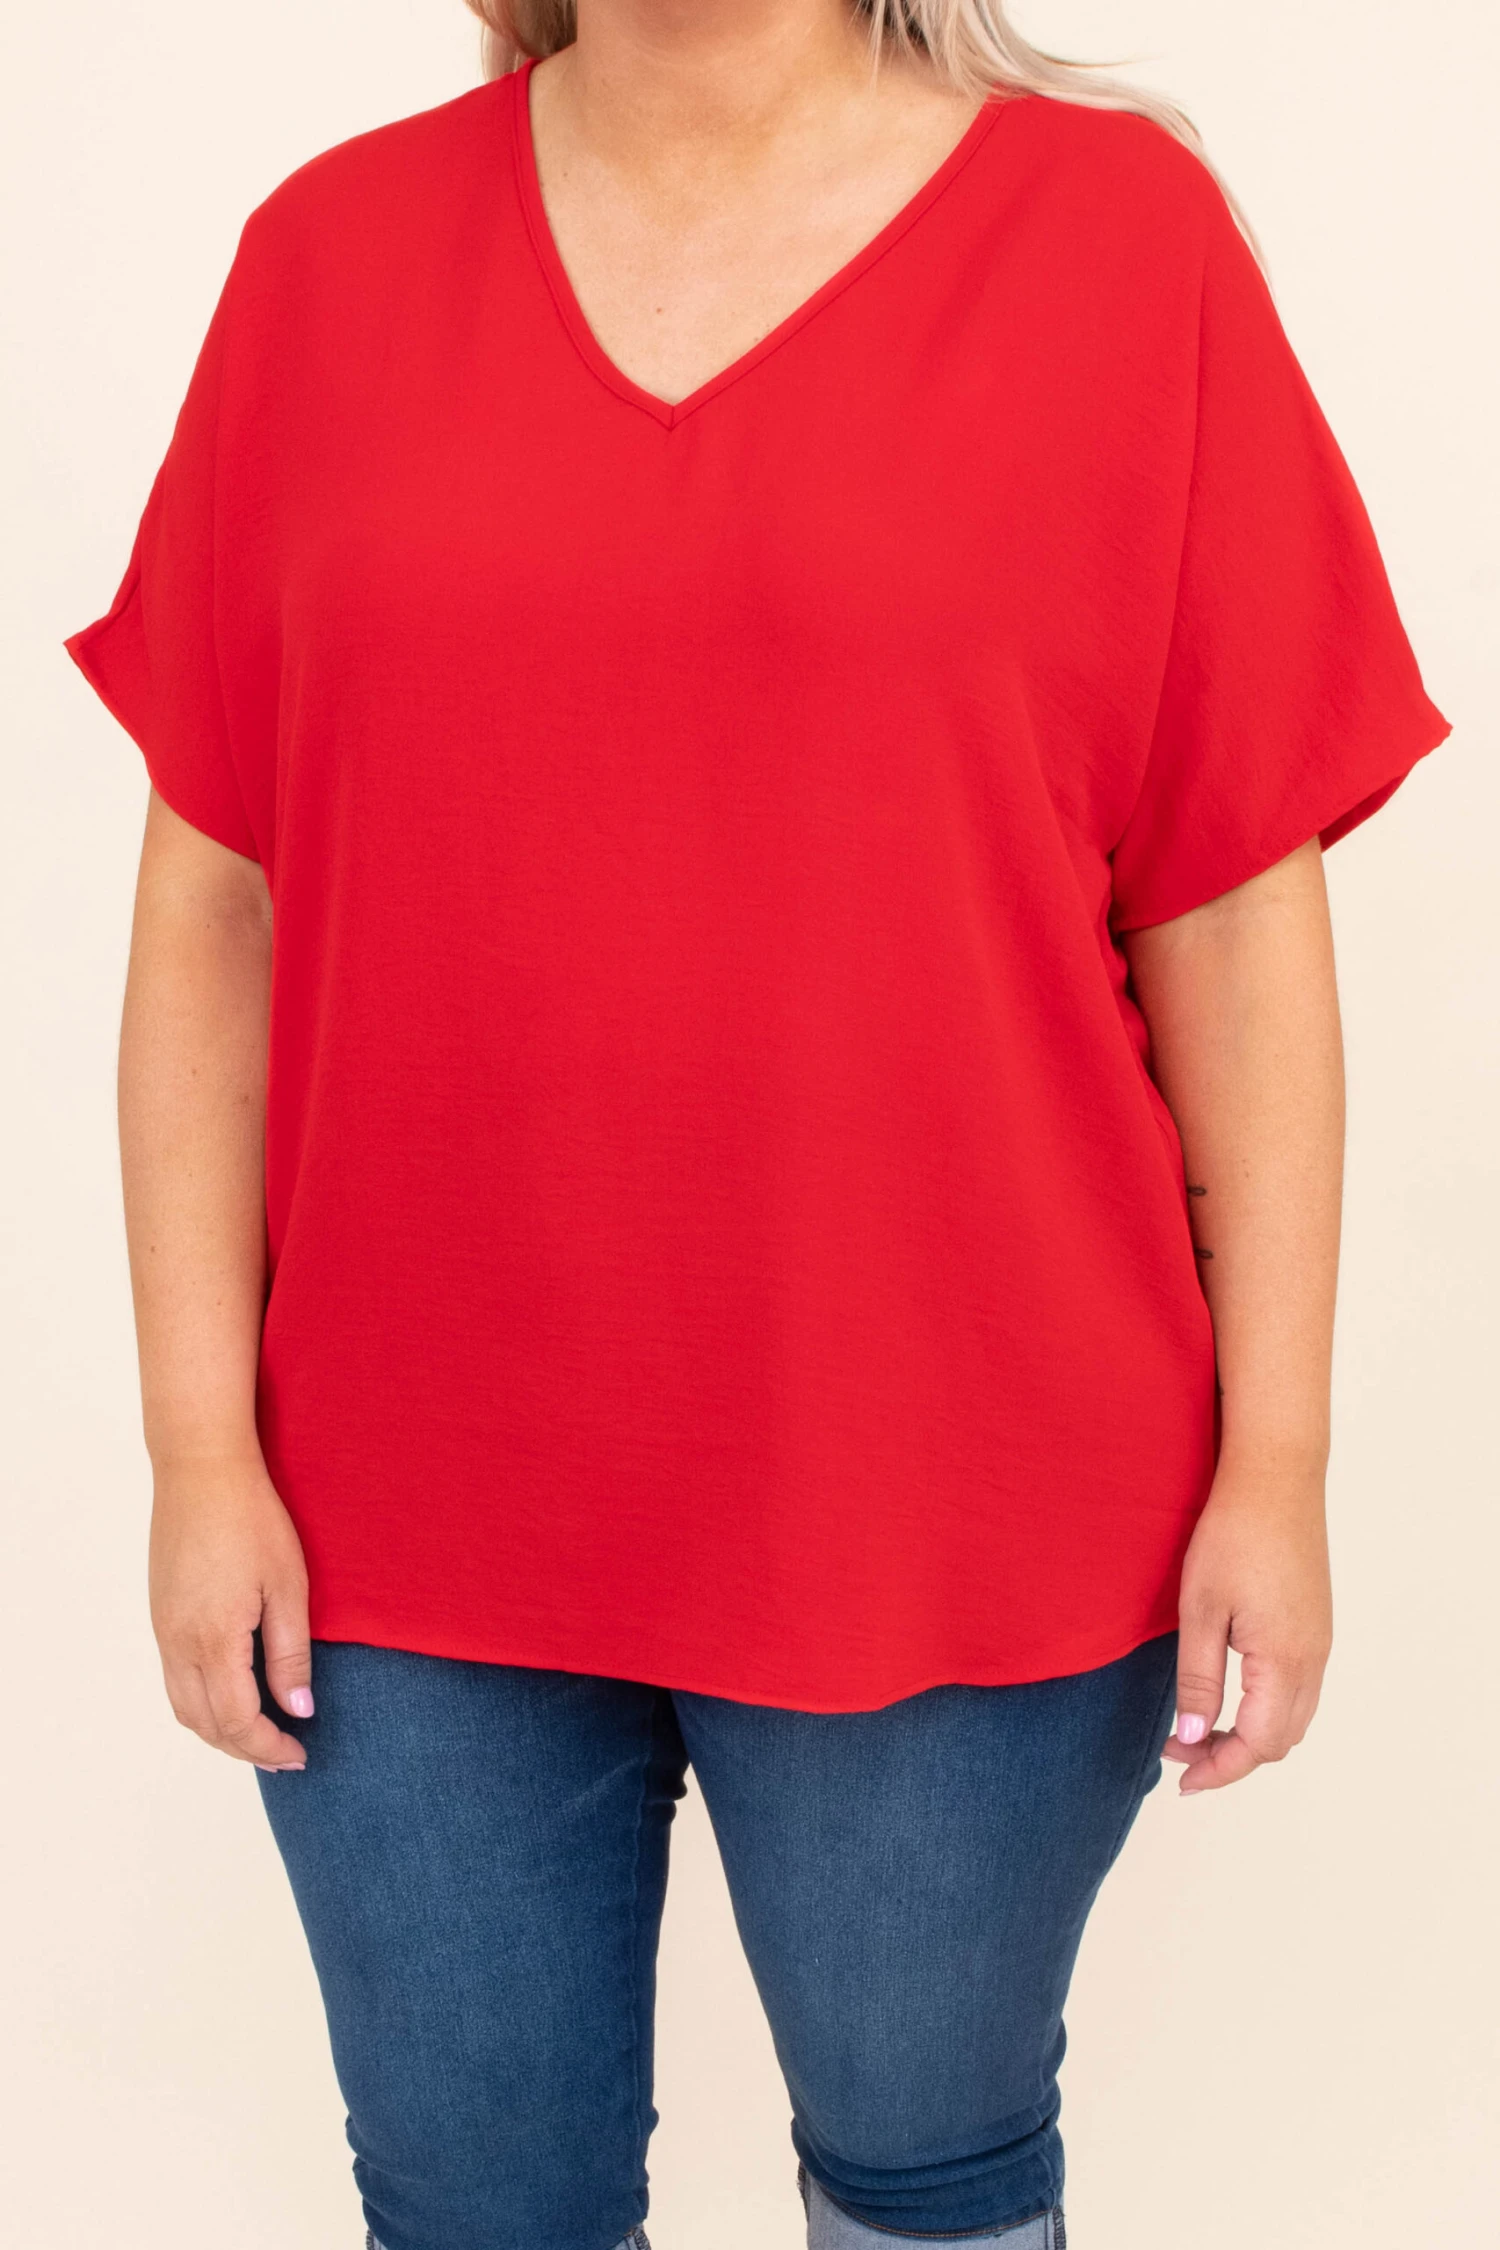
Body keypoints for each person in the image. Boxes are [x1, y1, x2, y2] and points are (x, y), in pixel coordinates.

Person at [63, 3, 1450, 2246]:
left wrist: (1276, 1462)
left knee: (928, 2191)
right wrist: (195, 1448)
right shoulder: (326, 259)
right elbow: (213, 902)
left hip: (962, 1482)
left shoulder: (1124, 245)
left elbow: (1230, 916)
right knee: (473, 2209)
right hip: (403, 1507)